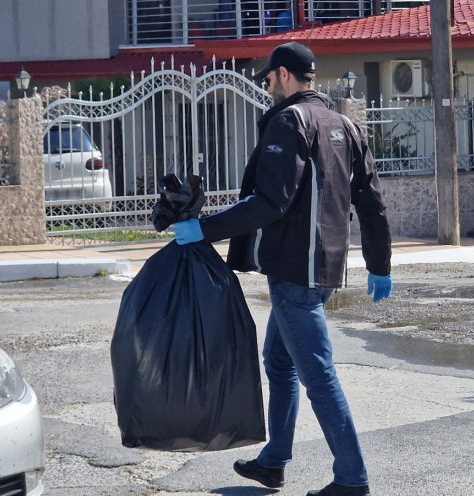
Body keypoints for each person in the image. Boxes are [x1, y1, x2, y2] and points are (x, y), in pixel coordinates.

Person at [173, 41, 392, 496]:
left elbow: (271, 201)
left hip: (295, 270)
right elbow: (371, 203)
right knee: (279, 360)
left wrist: (203, 229)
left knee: (317, 373)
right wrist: (378, 265)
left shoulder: (290, 120)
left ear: (286, 75)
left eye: (269, 77)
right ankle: (274, 462)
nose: (267, 85)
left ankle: (352, 479)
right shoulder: (344, 123)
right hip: (325, 268)